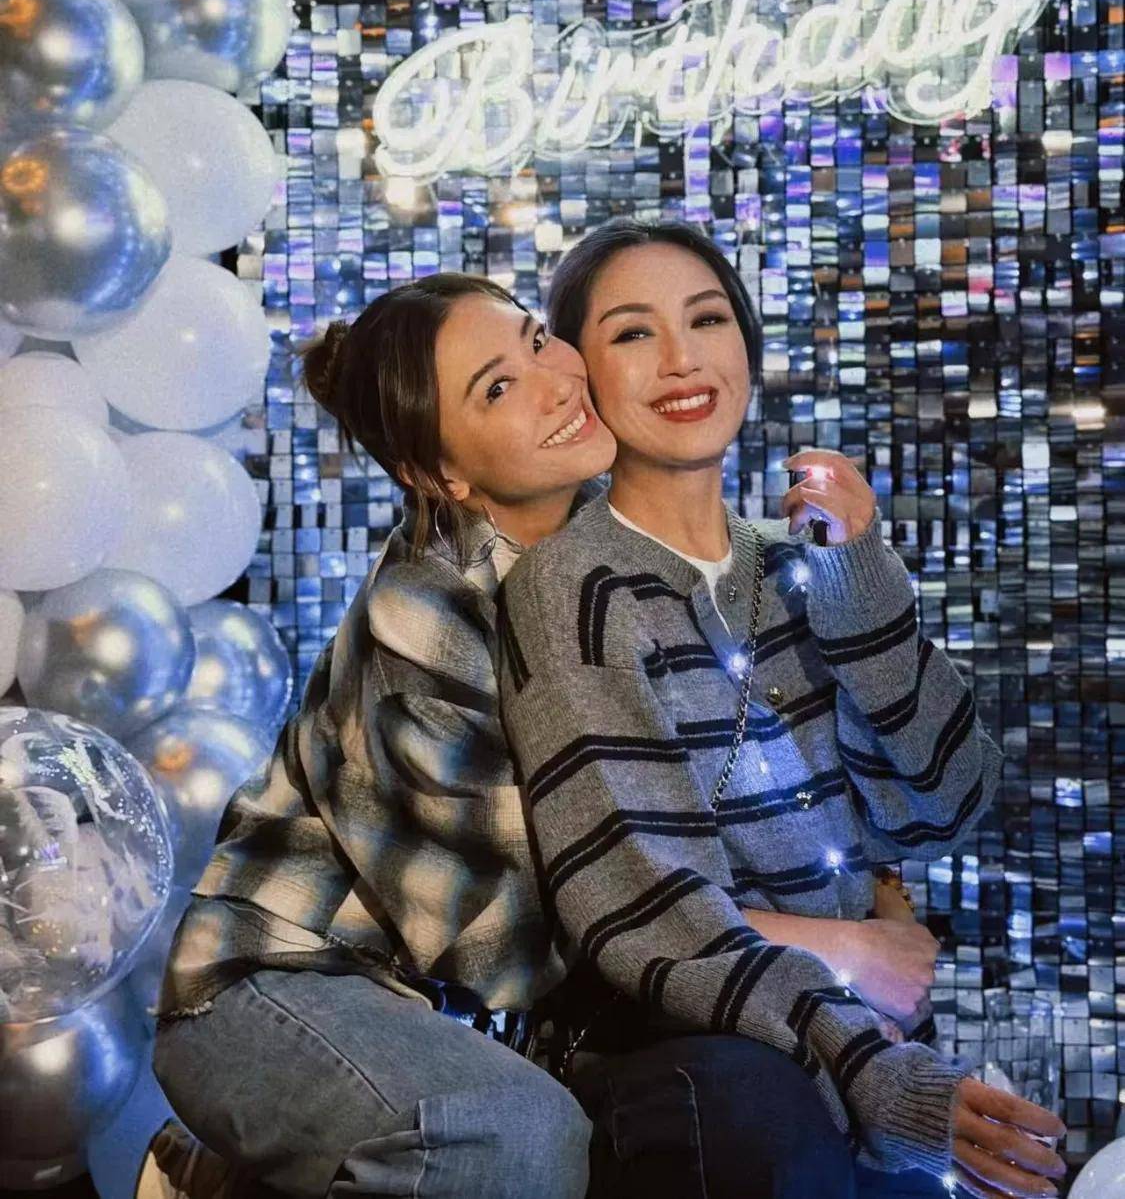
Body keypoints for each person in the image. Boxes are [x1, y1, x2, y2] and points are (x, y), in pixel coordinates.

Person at [496, 220, 1067, 1199]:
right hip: (722, 1079)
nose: (681, 359)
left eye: (707, 319)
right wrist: (858, 983)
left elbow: (945, 802)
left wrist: (860, 583)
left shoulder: (801, 561)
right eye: (632, 332)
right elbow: (645, 906)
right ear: (582, 373)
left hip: (873, 1058)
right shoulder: (574, 588)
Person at [152, 273, 618, 1199]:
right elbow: (498, 948)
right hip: (269, 986)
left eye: (535, 339)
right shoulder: (425, 619)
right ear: (440, 475)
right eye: (497, 386)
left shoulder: (609, 543)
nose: (556, 382)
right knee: (514, 1131)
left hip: (415, 1007)